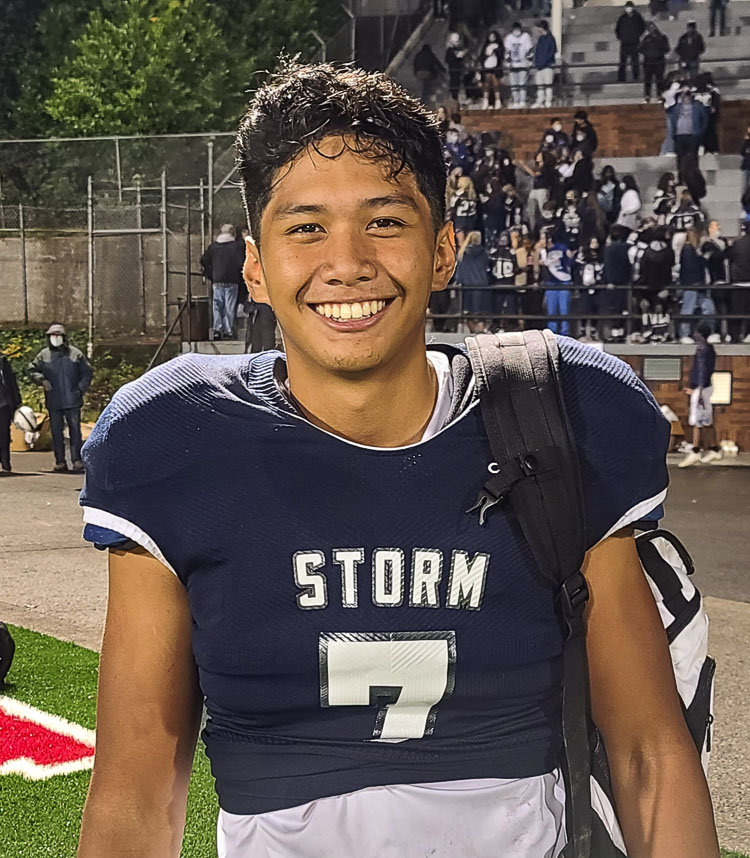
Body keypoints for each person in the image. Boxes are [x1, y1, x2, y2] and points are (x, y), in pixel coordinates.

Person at [76, 60, 720, 858]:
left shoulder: (559, 410)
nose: (347, 261)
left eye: (385, 221)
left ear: (443, 249)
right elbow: (137, 794)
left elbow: (648, 754)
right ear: (255, 267)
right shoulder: (176, 437)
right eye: (305, 226)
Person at [28, 323, 92, 473]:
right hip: (54, 400)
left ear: (64, 337)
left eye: (58, 335)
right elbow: (31, 369)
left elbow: (87, 373)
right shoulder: (43, 355)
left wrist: (80, 390)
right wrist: (41, 380)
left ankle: (77, 460)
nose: (55, 338)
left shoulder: (75, 354)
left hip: (72, 399)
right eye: (52, 336)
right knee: (56, 431)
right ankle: (60, 461)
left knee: (75, 430)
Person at [679, 323, 722, 466]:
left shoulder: (703, 349)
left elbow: (702, 370)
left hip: (701, 389)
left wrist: (697, 388)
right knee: (706, 420)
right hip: (705, 387)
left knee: (697, 420)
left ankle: (696, 451)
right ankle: (715, 449)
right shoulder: (709, 349)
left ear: (700, 334)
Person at [200, 224, 246, 340]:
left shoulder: (214, 247)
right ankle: (228, 330)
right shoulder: (237, 247)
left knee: (217, 306)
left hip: (217, 279)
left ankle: (217, 329)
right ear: (232, 233)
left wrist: (211, 273)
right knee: (229, 306)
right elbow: (242, 263)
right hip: (232, 280)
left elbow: (204, 260)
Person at [678, 226, 715, 342]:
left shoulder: (692, 250)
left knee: (708, 308)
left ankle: (706, 332)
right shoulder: (688, 249)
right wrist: (704, 259)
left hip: (697, 285)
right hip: (692, 284)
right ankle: (684, 333)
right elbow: (691, 268)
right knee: (688, 309)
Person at [541, 231, 573, 335]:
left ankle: (565, 333)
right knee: (551, 311)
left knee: (564, 310)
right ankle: (552, 333)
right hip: (550, 282)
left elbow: (569, 262)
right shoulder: (542, 251)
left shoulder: (562, 247)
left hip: (564, 280)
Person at [702, 220, 729, 342]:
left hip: (727, 278)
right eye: (715, 225)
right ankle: (716, 331)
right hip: (715, 279)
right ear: (709, 229)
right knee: (718, 307)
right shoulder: (707, 245)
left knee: (727, 307)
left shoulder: (724, 242)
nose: (719, 227)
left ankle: (729, 332)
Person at [726, 224, 750, 342]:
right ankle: (748, 334)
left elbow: (729, 257)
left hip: (739, 282)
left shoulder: (738, 244)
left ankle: (733, 335)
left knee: (736, 312)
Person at [0, 353, 21, 476]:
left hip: (4, 404)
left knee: (4, 434)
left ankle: (5, 462)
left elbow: (11, 381)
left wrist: (16, 399)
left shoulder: (3, 362)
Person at [503, 22, 533, 107]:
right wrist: (508, 62)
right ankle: (516, 101)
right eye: (515, 29)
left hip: (523, 64)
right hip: (513, 65)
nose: (516, 31)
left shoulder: (525, 36)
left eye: (518, 29)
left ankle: (522, 100)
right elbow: (507, 51)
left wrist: (529, 61)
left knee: (522, 83)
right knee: (514, 84)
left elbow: (529, 50)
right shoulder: (509, 38)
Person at [639, 21, 670, 103]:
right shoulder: (646, 38)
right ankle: (647, 95)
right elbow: (641, 48)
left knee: (659, 79)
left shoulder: (662, 37)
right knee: (648, 79)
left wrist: (659, 51)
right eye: (650, 28)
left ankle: (660, 95)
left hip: (659, 60)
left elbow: (667, 49)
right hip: (648, 61)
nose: (652, 29)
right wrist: (647, 53)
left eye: (653, 27)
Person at [615, 1, 646, 82]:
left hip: (634, 42)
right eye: (627, 7)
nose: (628, 9)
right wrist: (620, 37)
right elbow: (617, 29)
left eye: (629, 7)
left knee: (635, 61)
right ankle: (621, 78)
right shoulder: (622, 18)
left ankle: (636, 76)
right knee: (623, 62)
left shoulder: (637, 17)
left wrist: (637, 35)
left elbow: (642, 27)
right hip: (624, 43)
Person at [532, 20, 557, 108]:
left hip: (547, 65)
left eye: (540, 28)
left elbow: (552, 52)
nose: (539, 30)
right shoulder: (540, 39)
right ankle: (540, 100)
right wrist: (537, 62)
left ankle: (548, 101)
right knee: (540, 85)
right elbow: (537, 52)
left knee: (548, 84)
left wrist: (544, 62)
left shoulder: (551, 38)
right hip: (539, 66)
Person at [479, 30, 503, 108]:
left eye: (493, 37)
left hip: (495, 68)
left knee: (496, 85)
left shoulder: (499, 45)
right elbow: (481, 57)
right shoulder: (485, 46)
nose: (492, 38)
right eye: (490, 37)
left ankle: (498, 101)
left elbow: (501, 55)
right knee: (486, 85)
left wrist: (495, 51)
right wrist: (486, 55)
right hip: (487, 67)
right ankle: (485, 101)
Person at [445, 32, 467, 102]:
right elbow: (447, 60)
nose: (458, 43)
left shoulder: (455, 50)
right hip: (453, 70)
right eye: (456, 41)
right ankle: (454, 97)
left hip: (457, 70)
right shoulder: (450, 50)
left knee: (457, 83)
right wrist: (457, 57)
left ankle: (456, 97)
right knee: (454, 83)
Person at [740, 121, 750, 195]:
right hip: (747, 165)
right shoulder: (747, 140)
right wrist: (746, 140)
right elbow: (742, 151)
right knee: (744, 184)